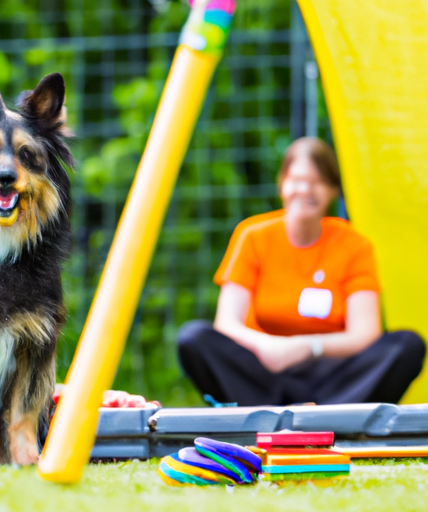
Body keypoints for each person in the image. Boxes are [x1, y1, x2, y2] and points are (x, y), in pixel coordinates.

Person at [178, 137, 425, 406]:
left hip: (329, 371)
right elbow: (226, 323)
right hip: (264, 368)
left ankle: (329, 418)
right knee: (194, 338)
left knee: (407, 345)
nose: (305, 189)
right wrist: (268, 346)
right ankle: (268, 415)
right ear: (282, 184)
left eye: (317, 181)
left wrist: (308, 347)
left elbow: (365, 332)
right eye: (296, 179)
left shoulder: (355, 245)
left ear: (333, 190)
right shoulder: (252, 236)